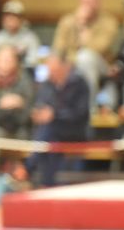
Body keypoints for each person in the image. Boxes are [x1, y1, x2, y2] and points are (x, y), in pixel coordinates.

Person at [51, 0, 120, 105]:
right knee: (54, 63)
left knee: (86, 57)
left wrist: (82, 26)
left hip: (101, 66)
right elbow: (58, 48)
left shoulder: (109, 22)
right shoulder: (67, 21)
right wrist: (57, 63)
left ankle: (88, 108)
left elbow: (98, 48)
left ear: (99, 1)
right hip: (71, 65)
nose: (87, 2)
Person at [28, 54, 90, 188]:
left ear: (64, 67)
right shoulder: (47, 84)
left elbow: (80, 113)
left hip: (74, 131)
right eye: (49, 68)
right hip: (50, 132)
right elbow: (40, 104)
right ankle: (46, 183)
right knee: (48, 135)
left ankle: (29, 168)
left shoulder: (79, 84)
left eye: (53, 68)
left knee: (48, 132)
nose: (50, 71)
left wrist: (55, 115)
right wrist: (38, 113)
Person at [0, 44, 35, 193]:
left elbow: (27, 117)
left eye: (9, 59)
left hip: (18, 133)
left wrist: (19, 106)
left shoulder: (24, 82)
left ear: (16, 62)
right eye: (2, 59)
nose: (5, 62)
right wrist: (3, 107)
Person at [0, 0, 40, 75]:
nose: (10, 19)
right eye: (7, 16)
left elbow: (32, 63)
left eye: (14, 16)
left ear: (21, 19)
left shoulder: (30, 38)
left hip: (23, 77)